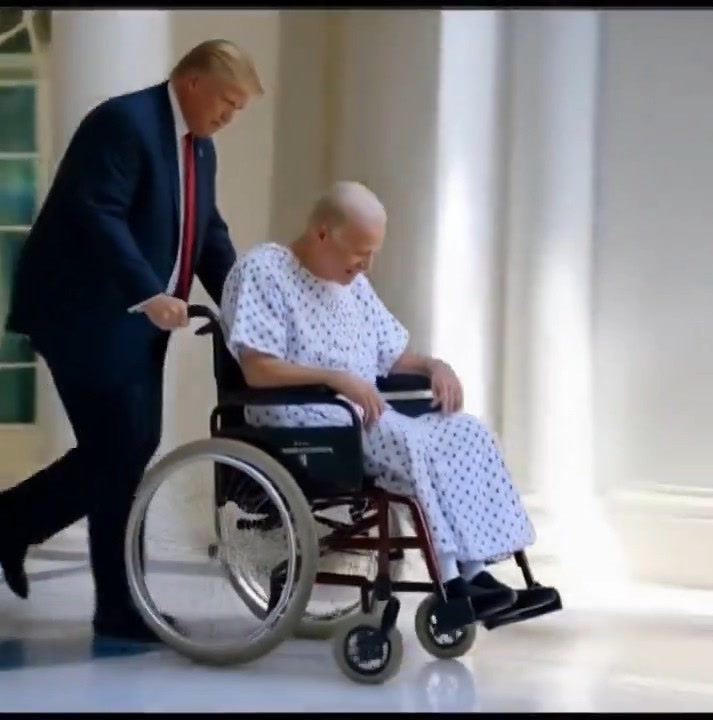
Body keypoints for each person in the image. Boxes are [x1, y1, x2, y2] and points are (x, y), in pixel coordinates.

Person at [0, 40, 263, 642]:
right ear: (193, 83)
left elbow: (207, 233)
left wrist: (249, 307)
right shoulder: (123, 122)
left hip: (137, 320)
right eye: (227, 101)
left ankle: (25, 535)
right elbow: (98, 213)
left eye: (239, 108)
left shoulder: (201, 147)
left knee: (125, 448)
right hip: (83, 313)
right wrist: (149, 292)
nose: (230, 116)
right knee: (120, 448)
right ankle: (111, 602)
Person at [220, 181, 556, 625]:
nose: (367, 265)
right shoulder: (264, 271)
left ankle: (477, 571)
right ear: (322, 233)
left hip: (362, 414)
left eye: (372, 253)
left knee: (465, 431)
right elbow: (258, 369)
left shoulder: (353, 284)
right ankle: (452, 581)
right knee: (409, 441)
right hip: (304, 417)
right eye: (360, 252)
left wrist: (433, 365)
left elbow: (391, 356)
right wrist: (334, 378)